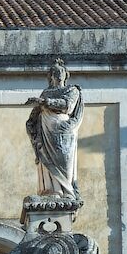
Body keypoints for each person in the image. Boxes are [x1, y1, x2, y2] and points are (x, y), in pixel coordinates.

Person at [24, 59, 84, 200]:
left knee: (65, 161)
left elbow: (67, 105)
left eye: (61, 71)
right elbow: (34, 115)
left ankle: (68, 192)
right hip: (45, 130)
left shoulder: (72, 90)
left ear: (66, 74)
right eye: (55, 71)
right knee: (47, 160)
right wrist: (31, 124)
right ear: (50, 76)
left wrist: (45, 102)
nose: (58, 73)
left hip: (64, 131)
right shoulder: (45, 92)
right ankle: (52, 192)